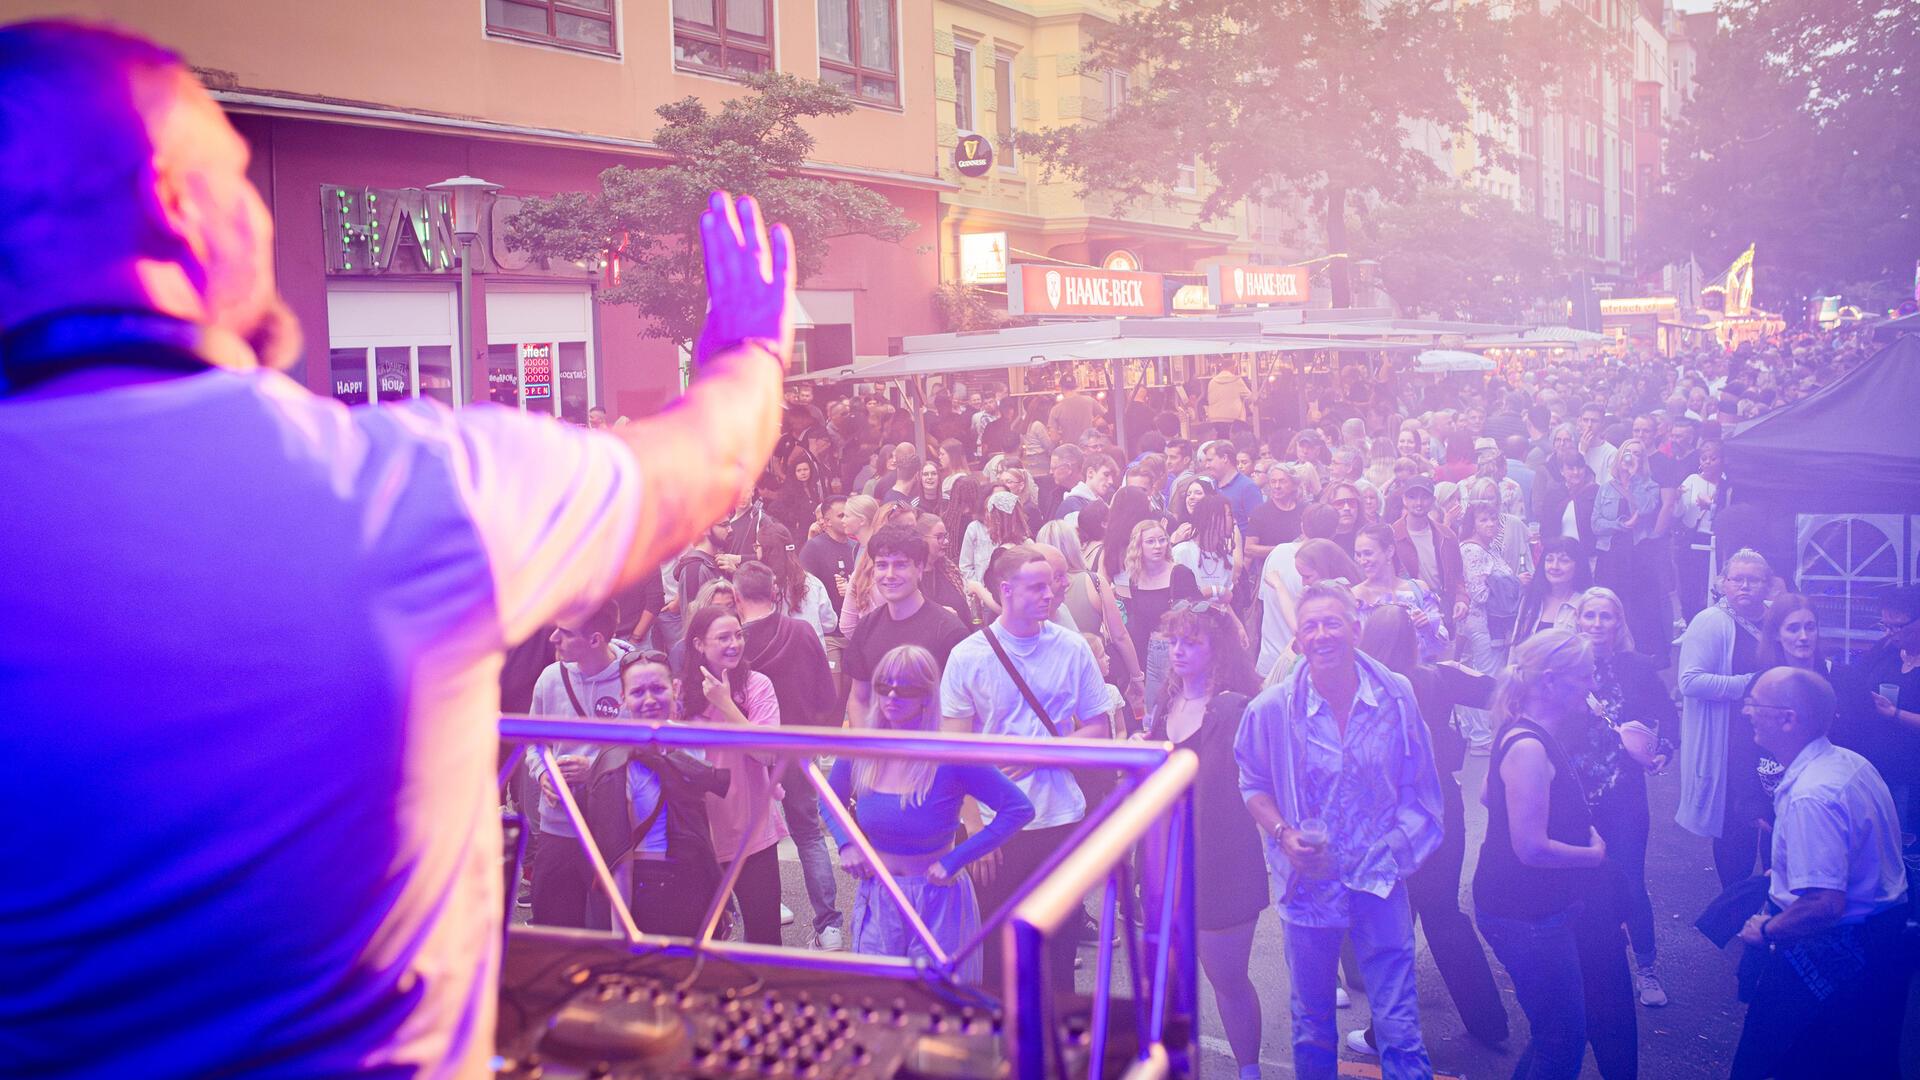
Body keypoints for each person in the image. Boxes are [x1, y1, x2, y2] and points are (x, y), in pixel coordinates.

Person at [0, 23, 801, 1075]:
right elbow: (708, 460)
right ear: (181, 206)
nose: (261, 208)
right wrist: (747, 349)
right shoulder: (421, 492)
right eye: (241, 173)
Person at [1235, 581, 1442, 1080]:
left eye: (1332, 622)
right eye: (1310, 626)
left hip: (1380, 879)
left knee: (1399, 1023)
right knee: (1311, 1023)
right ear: (1298, 639)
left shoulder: (1395, 696)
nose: (1322, 634)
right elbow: (1253, 782)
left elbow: (1421, 786)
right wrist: (1284, 834)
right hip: (1308, 890)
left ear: (1356, 629)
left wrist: (1396, 849)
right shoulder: (1272, 709)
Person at [940, 545, 1114, 990]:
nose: (1050, 595)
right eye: (1037, 587)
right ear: (1005, 590)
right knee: (996, 961)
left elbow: (1098, 728)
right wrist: (974, 827)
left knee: (1057, 960)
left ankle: (1054, 1055)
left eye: (1052, 585)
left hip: (1060, 819)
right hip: (996, 827)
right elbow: (953, 750)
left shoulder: (1072, 648)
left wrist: (1035, 753)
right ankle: (1004, 1055)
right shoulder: (968, 655)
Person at [1733, 667, 1911, 1079]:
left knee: (1776, 1062)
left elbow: (1824, 904)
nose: (1747, 713)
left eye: (1754, 704)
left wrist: (1767, 928)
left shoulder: (1813, 795)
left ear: (1788, 718)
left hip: (1829, 953)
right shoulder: (1850, 763)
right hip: (1880, 946)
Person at [1347, 606, 1509, 1052]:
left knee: (1394, 925)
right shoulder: (1439, 677)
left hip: (1388, 815)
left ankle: (1387, 1033)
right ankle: (1488, 1022)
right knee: (1442, 914)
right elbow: (1502, 690)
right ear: (1413, 641)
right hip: (1441, 805)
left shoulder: (1363, 689)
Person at [823, 645, 1034, 984]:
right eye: (883, 686)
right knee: (879, 1001)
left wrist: (958, 858)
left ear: (926, 696)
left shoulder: (950, 755)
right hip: (879, 896)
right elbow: (827, 798)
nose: (892, 696)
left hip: (939, 901)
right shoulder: (862, 747)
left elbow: (1019, 808)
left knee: (937, 1007)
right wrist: (847, 844)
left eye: (905, 688)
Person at [1476, 628, 1612, 1080]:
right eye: (1587, 675)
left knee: (1553, 1029)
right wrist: (1592, 854)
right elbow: (1531, 848)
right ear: (1550, 682)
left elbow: (1485, 794)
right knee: (1563, 1038)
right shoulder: (1530, 746)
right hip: (1527, 916)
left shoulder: (1522, 731)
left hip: (1530, 909)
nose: (1594, 684)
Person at [1142, 600, 1268, 1079]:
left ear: (1216, 651)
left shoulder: (1236, 709)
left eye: (1191, 642)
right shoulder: (1165, 704)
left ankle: (1249, 1070)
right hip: (1165, 863)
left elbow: (1262, 777)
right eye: (1173, 641)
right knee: (1170, 982)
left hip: (1222, 865)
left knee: (1228, 979)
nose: (1177, 650)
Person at [1565, 589, 1666, 1068]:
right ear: (1577, 619)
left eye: (1606, 615)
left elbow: (1668, 718)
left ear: (1618, 621)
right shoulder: (1565, 667)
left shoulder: (1638, 667)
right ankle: (1584, 972)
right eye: (1590, 614)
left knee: (1629, 882)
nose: (1597, 623)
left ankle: (1646, 968)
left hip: (1625, 797)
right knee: (1578, 887)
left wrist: (1663, 749)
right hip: (1574, 800)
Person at [734, 561, 845, 950]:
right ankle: (829, 924)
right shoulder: (801, 631)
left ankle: (767, 907)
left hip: (750, 754)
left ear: (736, 596)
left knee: (755, 841)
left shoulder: (733, 643)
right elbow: (827, 698)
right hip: (799, 748)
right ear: (776, 590)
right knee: (808, 833)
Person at [580, 650, 726, 939]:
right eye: (638, 692)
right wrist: (624, 941)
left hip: (692, 886)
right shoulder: (617, 761)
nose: (649, 700)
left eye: (658, 689)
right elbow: (619, 863)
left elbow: (702, 826)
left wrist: (720, 900)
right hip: (647, 892)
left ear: (676, 689)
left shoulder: (688, 742)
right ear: (623, 697)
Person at [679, 605, 787, 945]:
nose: (735, 644)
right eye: (723, 637)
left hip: (752, 834)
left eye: (739, 635)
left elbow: (768, 752)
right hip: (699, 836)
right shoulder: (680, 693)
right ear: (699, 644)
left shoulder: (758, 686)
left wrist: (725, 704)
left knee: (764, 937)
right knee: (706, 938)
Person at [525, 601, 636, 928]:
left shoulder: (632, 677)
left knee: (608, 934)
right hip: (557, 825)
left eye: (565, 633)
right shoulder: (550, 678)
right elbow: (534, 742)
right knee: (554, 929)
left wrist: (598, 770)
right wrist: (543, 772)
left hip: (611, 827)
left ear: (595, 640)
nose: (553, 638)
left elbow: (650, 751)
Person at [1678, 549, 1774, 888]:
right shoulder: (1710, 621)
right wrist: (1751, 684)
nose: (1745, 586)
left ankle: (1776, 906)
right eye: (1738, 579)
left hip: (1776, 742)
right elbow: (1689, 681)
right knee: (1737, 827)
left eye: (1754, 580)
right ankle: (1735, 904)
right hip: (1732, 743)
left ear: (1769, 585)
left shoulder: (1776, 619)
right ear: (1723, 583)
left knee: (1776, 824)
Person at [1115, 518, 1204, 707]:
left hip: (1177, 651)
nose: (1158, 546)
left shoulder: (1180, 574)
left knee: (1179, 706)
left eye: (1162, 540)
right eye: (1150, 541)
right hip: (1149, 652)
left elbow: (1199, 616)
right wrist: (1136, 670)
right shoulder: (1135, 578)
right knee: (1152, 712)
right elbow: (1138, 623)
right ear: (1138, 546)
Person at [1591, 438, 1663, 659]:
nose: (1631, 457)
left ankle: (1634, 652)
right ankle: (1606, 647)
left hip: (1637, 554)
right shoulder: (1605, 488)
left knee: (1636, 605)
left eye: (1638, 454)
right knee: (1610, 600)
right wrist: (1619, 525)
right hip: (1610, 552)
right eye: (1628, 452)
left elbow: (1645, 508)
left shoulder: (1650, 486)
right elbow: (1595, 524)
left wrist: (1634, 480)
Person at [1459, 503, 1521, 753]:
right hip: (1483, 621)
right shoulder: (1473, 551)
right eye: (1484, 520)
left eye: (1494, 519)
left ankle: (1479, 730)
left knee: (1486, 673)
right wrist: (1510, 586)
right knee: (1485, 678)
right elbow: (1479, 593)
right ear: (1473, 523)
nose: (1490, 524)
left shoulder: (1492, 548)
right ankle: (1480, 737)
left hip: (1495, 622)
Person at [1351, 523, 1448, 663]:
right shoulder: (1356, 597)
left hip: (1420, 678)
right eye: (1358, 555)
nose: (1362, 561)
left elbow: (1441, 648)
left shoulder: (1418, 590)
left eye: (1368, 553)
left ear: (1389, 551)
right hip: (1380, 680)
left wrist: (1426, 629)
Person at [1391, 477, 1468, 634]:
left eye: (1424, 497)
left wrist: (1461, 599)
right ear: (1404, 499)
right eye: (1412, 496)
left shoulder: (1447, 535)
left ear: (1433, 500)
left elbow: (1458, 576)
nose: (1418, 502)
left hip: (1443, 611)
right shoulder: (1391, 536)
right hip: (1407, 613)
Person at [754, 521, 836, 640]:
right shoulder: (812, 582)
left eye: (757, 546)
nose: (755, 550)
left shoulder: (760, 586)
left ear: (767, 550)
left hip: (779, 655)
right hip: (812, 652)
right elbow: (830, 624)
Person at [1674, 439, 1721, 620]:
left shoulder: (1725, 484)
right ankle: (1690, 621)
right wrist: (1678, 498)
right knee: (1690, 584)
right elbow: (1680, 513)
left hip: (1715, 539)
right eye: (1704, 458)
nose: (1707, 462)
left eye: (1713, 458)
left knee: (1710, 585)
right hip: (1693, 539)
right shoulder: (1692, 480)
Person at [1515, 537, 1594, 640]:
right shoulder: (1531, 598)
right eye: (1549, 560)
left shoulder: (1587, 604)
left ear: (1578, 566)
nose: (1554, 566)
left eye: (1564, 561)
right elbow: (1515, 646)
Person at [1173, 491, 1240, 603]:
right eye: (1229, 515)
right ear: (1212, 518)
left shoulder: (1227, 557)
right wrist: (1216, 590)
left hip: (1218, 619)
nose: (1234, 521)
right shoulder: (1182, 552)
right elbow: (1181, 601)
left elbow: (1226, 602)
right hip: (1189, 618)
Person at [1201, 438, 1264, 530]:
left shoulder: (1248, 487)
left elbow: (1257, 527)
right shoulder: (1210, 487)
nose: (1206, 465)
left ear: (1225, 458)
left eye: (1210, 460)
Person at [1054, 451, 1119, 521]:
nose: (1110, 481)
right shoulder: (1071, 505)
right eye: (1106, 474)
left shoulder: (1102, 505)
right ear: (1090, 473)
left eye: (1112, 477)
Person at [1047, 373, 1104, 446]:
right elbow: (1105, 417)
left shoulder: (1056, 409)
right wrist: (1093, 423)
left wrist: (1064, 435)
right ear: (1076, 387)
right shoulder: (1089, 401)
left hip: (1069, 450)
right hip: (1088, 448)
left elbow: (1054, 437)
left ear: (1061, 388)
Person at [1204, 356, 1254, 436]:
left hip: (1215, 420)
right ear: (1232, 367)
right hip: (1233, 419)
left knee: (1221, 440)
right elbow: (1250, 397)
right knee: (1233, 443)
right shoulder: (1236, 380)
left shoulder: (1212, 382)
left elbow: (1209, 399)